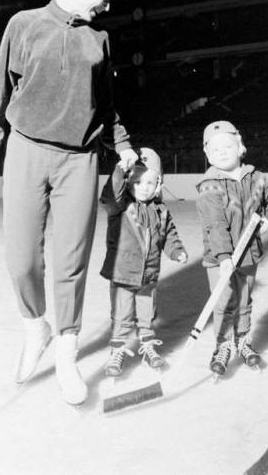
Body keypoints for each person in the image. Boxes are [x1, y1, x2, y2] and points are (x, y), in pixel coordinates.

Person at [0, 0, 138, 405]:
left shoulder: (99, 39)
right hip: (26, 150)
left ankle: (66, 352)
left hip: (80, 160)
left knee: (70, 262)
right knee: (21, 258)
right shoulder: (24, 25)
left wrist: (121, 145)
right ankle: (35, 329)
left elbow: (106, 106)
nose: (107, 4)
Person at [196, 121, 268, 377]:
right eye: (215, 148)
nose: (222, 151)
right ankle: (222, 345)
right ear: (207, 154)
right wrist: (224, 257)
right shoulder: (209, 185)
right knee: (224, 302)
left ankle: (242, 340)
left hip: (248, 254)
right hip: (219, 259)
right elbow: (215, 225)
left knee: (244, 300)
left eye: (227, 145)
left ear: (240, 146)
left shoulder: (257, 178)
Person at [99, 147, 188, 376]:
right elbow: (111, 193)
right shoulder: (120, 206)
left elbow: (169, 234)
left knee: (147, 313)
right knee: (122, 314)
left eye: (150, 182)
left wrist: (176, 251)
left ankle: (147, 345)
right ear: (129, 182)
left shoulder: (161, 210)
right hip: (123, 273)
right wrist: (121, 169)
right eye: (137, 182)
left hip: (148, 274)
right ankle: (117, 348)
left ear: (158, 184)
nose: (143, 187)